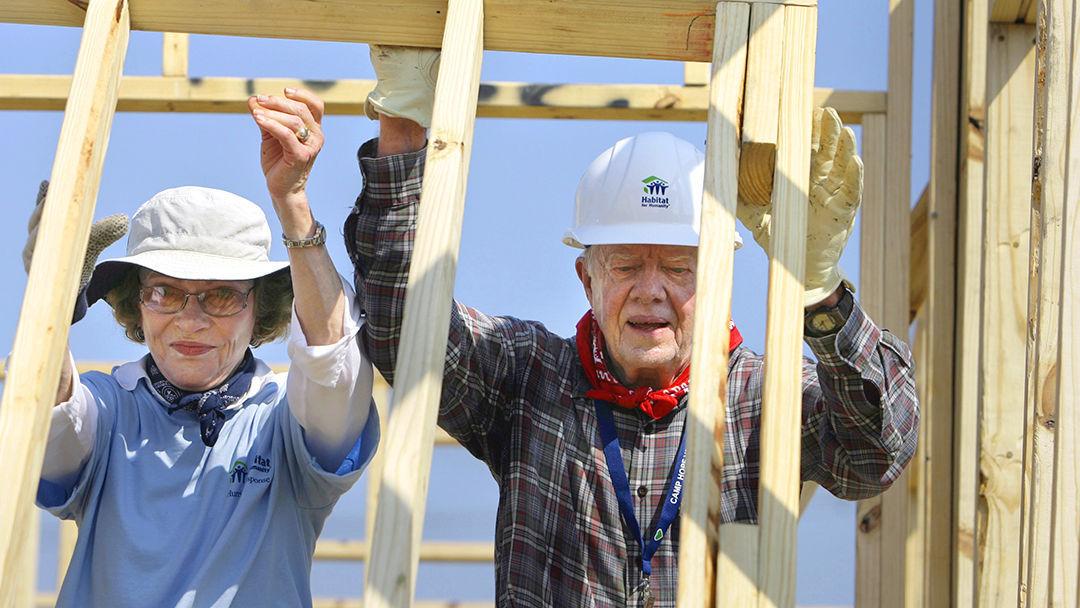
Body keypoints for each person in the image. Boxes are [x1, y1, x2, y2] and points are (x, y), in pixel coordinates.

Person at [344, 47, 919, 607]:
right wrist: (405, 127)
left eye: (677, 267)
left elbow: (877, 449)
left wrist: (820, 290)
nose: (650, 289)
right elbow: (404, 328)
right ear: (586, 279)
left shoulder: (762, 398)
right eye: (625, 266)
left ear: (718, 273)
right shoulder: (529, 378)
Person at [28, 88, 378, 607]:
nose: (190, 319)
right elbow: (50, 426)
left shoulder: (282, 423)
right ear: (134, 303)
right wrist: (48, 300)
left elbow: (334, 367)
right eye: (165, 292)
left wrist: (293, 202)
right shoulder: (106, 407)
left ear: (261, 307)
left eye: (220, 295)